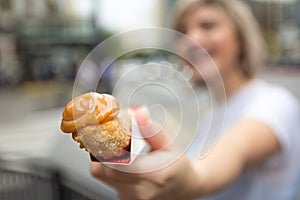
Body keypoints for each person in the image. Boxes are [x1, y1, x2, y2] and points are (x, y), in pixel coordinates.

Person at [90, 0, 300, 199]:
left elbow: (228, 155)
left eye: (208, 26)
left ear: (241, 40)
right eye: (183, 32)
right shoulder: (212, 116)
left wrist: (190, 179)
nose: (192, 39)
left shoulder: (275, 103)